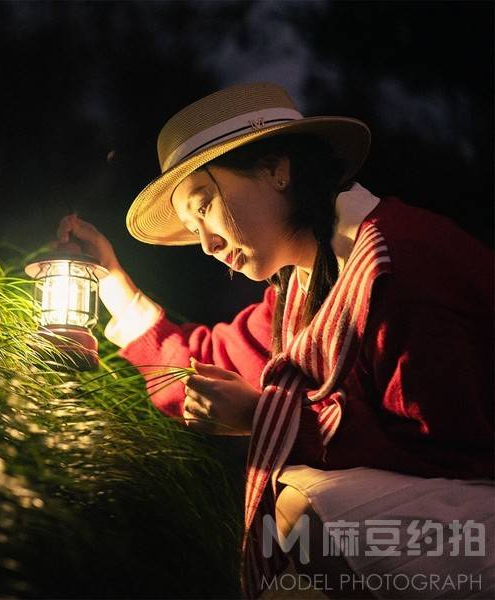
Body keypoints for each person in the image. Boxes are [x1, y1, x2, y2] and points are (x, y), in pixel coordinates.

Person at [55, 82, 494, 598]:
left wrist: (263, 418)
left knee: (300, 515)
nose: (206, 243)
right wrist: (111, 281)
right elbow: (205, 365)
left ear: (276, 169)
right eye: (192, 225)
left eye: (205, 205)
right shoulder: (300, 288)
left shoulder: (396, 269)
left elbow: (451, 454)